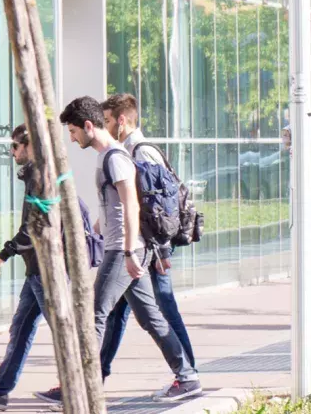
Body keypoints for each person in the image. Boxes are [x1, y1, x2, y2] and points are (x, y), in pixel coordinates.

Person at [41, 97, 199, 405]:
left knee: (94, 315)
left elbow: (131, 205)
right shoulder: (109, 157)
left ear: (89, 126)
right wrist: (93, 231)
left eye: (73, 132)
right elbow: (114, 207)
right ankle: (188, 376)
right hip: (124, 248)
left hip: (124, 251)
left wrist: (128, 252)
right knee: (150, 317)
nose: (72, 139)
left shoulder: (115, 157)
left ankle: (80, 387)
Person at [0, 126, 79, 410]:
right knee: (22, 327)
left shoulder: (40, 177)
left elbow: (32, 229)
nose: (11, 152)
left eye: (15, 146)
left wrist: (2, 255)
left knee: (61, 329)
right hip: (38, 269)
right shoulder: (41, 173)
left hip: (45, 268)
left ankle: (76, 388)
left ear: (29, 146)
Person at [98, 94, 195, 386]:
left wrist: (162, 251)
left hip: (151, 249)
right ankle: (96, 374)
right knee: (115, 312)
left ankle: (190, 374)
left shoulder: (139, 152)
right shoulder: (123, 151)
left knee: (164, 309)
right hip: (139, 246)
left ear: (121, 120)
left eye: (107, 121)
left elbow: (159, 205)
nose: (105, 126)